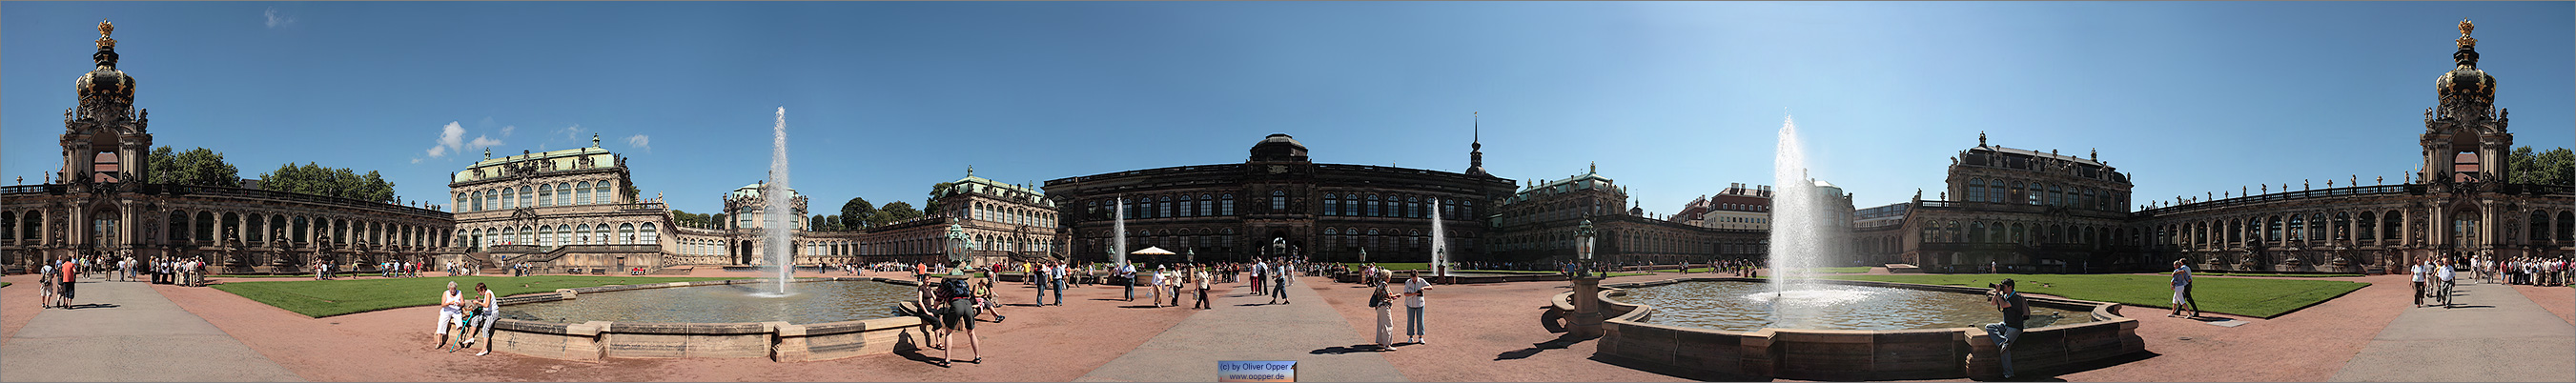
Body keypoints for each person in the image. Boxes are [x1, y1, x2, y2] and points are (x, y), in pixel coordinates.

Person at [1983, 278, 2028, 379]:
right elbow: (1993, 303)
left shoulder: (2016, 298)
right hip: (2006, 324)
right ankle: (2002, 342)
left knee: (2004, 350)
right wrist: (1997, 293)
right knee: (1989, 327)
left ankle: (2009, 373)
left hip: (2015, 327)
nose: (2002, 288)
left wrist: (1999, 294)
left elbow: (2003, 305)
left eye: (2004, 287)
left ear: (2010, 287)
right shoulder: (2005, 296)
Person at [938, 277, 982, 367]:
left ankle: (947, 360)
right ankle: (977, 357)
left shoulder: (943, 289)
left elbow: (936, 305)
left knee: (949, 332)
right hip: (967, 304)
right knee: (971, 332)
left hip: (956, 305)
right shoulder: (960, 287)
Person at [463, 283, 500, 355]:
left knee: (485, 329)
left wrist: (478, 302)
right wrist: (479, 300)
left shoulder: (488, 293)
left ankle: (484, 349)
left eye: (479, 292)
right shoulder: (486, 294)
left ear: (483, 289)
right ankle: (471, 337)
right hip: (486, 313)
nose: (479, 293)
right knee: (475, 319)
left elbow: (486, 305)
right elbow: (486, 304)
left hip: (492, 314)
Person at [1369, 272, 1398, 352]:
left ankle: (1381, 342)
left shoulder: (1379, 283)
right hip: (1384, 306)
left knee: (1381, 324)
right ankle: (1387, 344)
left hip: (1379, 306)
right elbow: (1388, 295)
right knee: (1388, 324)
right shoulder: (1384, 284)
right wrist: (1396, 296)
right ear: (1387, 277)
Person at [434, 281, 465, 351]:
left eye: (453, 290)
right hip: (447, 310)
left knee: (459, 322)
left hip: (456, 311)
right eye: (450, 290)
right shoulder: (446, 293)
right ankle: (439, 342)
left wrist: (459, 304)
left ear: (455, 289)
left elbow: (463, 303)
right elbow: (443, 304)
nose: (452, 292)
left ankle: (460, 339)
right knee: (442, 322)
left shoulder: (459, 292)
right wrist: (449, 303)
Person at [1403, 270, 1433, 345]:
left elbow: (1430, 287)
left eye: (1415, 277)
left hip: (1420, 303)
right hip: (1410, 303)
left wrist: (1424, 288)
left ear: (1417, 275)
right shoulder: (1408, 282)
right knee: (1410, 320)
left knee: (1420, 320)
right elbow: (1405, 293)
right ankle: (1410, 337)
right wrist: (1414, 293)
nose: (1414, 279)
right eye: (1413, 278)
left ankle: (1420, 337)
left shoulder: (1421, 281)